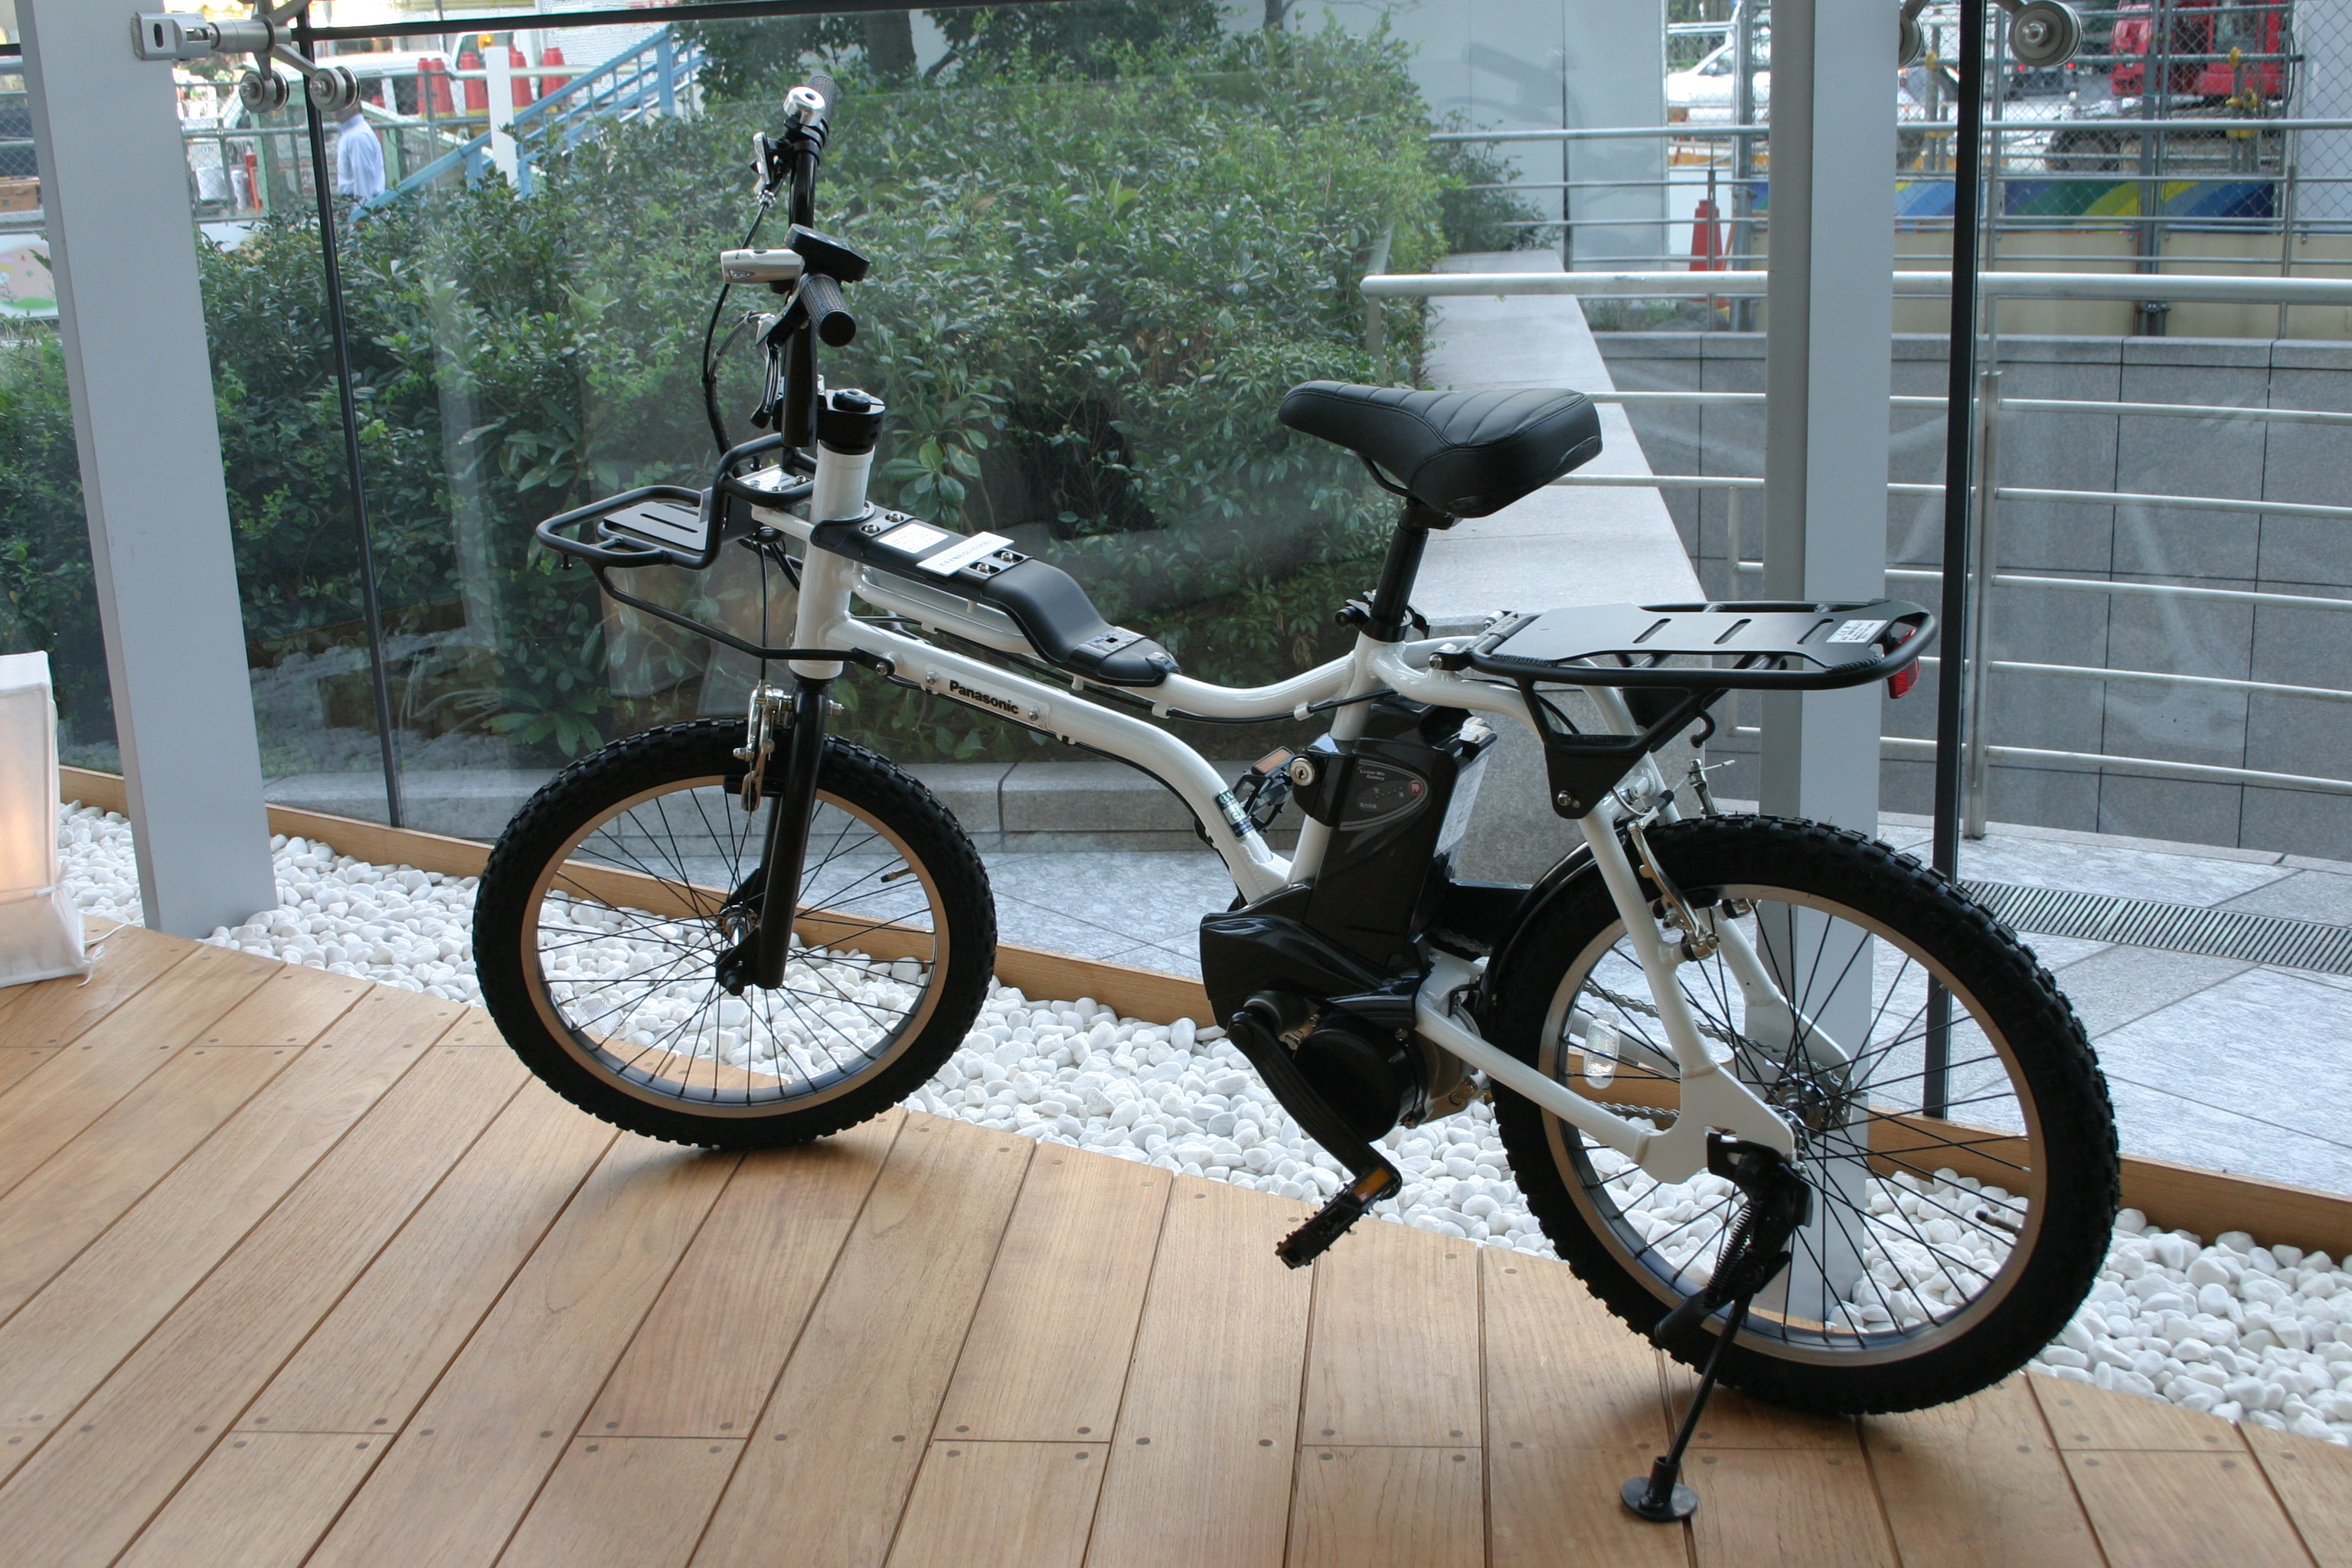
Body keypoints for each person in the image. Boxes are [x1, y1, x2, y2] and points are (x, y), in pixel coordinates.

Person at [335, 103, 384, 203]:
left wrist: (361, 211)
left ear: (355, 103)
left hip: (359, 206)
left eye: (341, 101)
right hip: (354, 204)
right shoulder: (353, 133)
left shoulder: (357, 136)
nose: (335, 107)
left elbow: (364, 190)